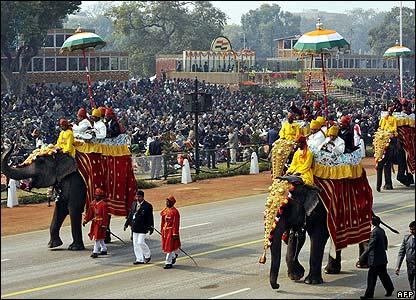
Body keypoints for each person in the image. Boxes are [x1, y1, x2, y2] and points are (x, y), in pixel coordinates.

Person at [359, 215, 394, 299]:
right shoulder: (381, 230)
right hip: (382, 258)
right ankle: (390, 289)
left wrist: (362, 256)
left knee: (371, 278)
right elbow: (385, 241)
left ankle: (369, 295)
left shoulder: (374, 232)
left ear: (372, 223)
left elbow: (371, 246)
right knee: (383, 275)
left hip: (375, 260)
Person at [124, 190, 154, 265]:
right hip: (135, 227)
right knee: (136, 244)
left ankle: (147, 255)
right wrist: (126, 224)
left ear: (143, 197)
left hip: (143, 227)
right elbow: (131, 215)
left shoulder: (147, 206)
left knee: (140, 242)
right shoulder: (134, 204)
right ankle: (139, 259)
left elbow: (150, 217)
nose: (137, 198)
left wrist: (151, 227)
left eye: (139, 197)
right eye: (137, 196)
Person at [83, 188, 110, 258]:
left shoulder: (104, 205)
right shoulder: (93, 203)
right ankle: (104, 249)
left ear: (101, 196)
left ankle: (95, 252)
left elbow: (105, 216)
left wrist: (104, 225)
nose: (96, 197)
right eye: (96, 195)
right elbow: (90, 214)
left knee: (97, 238)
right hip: (95, 223)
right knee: (100, 237)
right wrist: (85, 220)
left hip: (101, 224)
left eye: (98, 195)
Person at [160, 195, 181, 269]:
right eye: (166, 201)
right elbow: (163, 221)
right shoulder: (165, 210)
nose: (167, 203)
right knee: (167, 247)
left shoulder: (175, 212)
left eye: (168, 202)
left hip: (171, 232)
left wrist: (175, 233)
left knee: (169, 247)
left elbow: (176, 223)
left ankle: (168, 262)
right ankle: (173, 256)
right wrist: (161, 230)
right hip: (165, 231)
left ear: (172, 203)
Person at [395, 220, 415, 292]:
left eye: (413, 229)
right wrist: (398, 266)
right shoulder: (406, 238)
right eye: (410, 229)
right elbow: (401, 253)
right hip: (410, 265)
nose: (411, 231)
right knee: (411, 282)